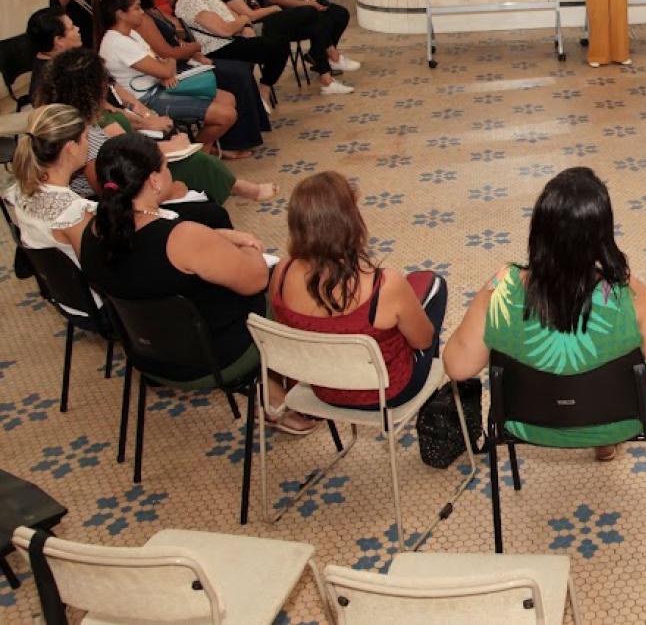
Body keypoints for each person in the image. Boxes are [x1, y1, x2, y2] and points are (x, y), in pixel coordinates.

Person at [443, 167, 646, 462]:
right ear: (602, 235)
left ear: (538, 230)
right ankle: (603, 441)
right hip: (618, 421)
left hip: (524, 423)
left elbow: (457, 367)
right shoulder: (629, 296)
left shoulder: (498, 292)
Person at [80, 133, 314, 431]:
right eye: (166, 166)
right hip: (216, 357)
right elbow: (254, 280)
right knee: (284, 279)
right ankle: (284, 398)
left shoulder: (94, 233)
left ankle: (271, 393)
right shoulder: (182, 237)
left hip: (149, 356)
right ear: (154, 180)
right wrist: (248, 246)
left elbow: (154, 261)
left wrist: (221, 238)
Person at [271, 171, 446, 409]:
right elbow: (424, 341)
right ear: (350, 221)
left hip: (322, 388)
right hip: (389, 392)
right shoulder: (384, 285)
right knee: (434, 285)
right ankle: (436, 409)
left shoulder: (281, 273)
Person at [35, 47, 275, 206]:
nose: (107, 84)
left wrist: (150, 126)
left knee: (190, 159)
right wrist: (164, 150)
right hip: (122, 180)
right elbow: (107, 180)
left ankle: (236, 189)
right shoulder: (81, 131)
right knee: (197, 162)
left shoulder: (79, 111)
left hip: (129, 161)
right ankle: (241, 190)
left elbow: (124, 132)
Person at [123, 0, 269, 154]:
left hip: (183, 60)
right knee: (235, 74)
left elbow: (176, 37)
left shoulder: (152, 9)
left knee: (240, 69)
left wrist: (193, 50)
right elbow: (166, 52)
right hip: (172, 72)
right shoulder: (143, 19)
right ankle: (231, 143)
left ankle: (244, 135)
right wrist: (195, 47)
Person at [96, 0, 237, 154]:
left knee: (228, 98)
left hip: (160, 86)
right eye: (137, 8)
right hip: (147, 99)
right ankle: (198, 152)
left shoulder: (131, 33)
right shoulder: (117, 42)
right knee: (227, 115)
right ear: (120, 14)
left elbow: (160, 60)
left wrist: (165, 67)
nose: (142, 12)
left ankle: (204, 149)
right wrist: (166, 67)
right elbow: (165, 64)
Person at [174, 0, 288, 109]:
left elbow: (228, 16)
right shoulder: (190, 2)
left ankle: (262, 90)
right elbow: (225, 30)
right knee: (278, 47)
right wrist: (244, 19)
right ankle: (264, 89)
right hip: (216, 48)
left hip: (230, 39)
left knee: (280, 41)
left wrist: (243, 26)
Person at [3, 105, 94, 265]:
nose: (89, 143)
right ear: (71, 148)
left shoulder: (21, 187)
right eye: (86, 137)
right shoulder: (75, 214)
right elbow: (98, 270)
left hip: (63, 283)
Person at [26, 7, 83, 94]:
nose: (77, 28)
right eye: (72, 28)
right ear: (59, 40)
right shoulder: (57, 81)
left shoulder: (57, 58)